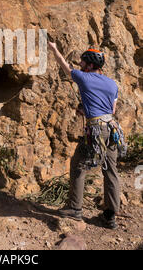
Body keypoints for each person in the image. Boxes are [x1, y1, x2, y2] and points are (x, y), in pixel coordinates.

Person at [48, 42, 123, 229]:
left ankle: (75, 208)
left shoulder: (83, 77)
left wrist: (54, 49)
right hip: (112, 128)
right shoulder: (112, 84)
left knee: (79, 165)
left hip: (96, 130)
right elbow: (111, 109)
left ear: (89, 65)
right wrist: (87, 108)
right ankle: (110, 215)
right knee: (111, 170)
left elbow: (64, 66)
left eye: (83, 63)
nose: (80, 65)